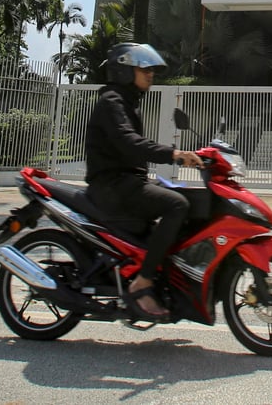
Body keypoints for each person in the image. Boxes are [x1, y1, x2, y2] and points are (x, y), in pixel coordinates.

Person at [85, 42, 204, 321]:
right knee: (176, 205)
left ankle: (167, 277)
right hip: (112, 186)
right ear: (126, 70)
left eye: (151, 69)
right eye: (144, 68)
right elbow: (129, 142)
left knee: (187, 196)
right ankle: (143, 281)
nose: (151, 74)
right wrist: (173, 154)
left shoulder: (125, 102)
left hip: (126, 182)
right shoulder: (112, 102)